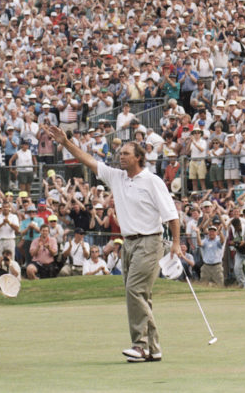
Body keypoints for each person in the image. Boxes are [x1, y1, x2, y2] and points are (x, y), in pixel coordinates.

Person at [46, 124, 180, 364]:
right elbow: (87, 159)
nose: (121, 156)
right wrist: (66, 143)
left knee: (134, 290)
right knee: (142, 295)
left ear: (139, 157)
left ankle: (139, 346)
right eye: (120, 153)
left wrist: (177, 244)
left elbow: (171, 215)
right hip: (128, 244)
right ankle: (153, 347)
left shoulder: (152, 181)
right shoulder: (117, 176)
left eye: (126, 153)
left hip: (150, 241)